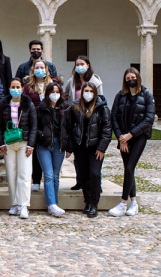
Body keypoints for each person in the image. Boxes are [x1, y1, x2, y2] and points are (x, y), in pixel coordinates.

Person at [108, 68, 155, 217]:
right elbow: (113, 116)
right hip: (123, 139)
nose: (130, 80)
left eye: (133, 77)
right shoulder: (120, 95)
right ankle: (133, 203)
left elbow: (149, 119)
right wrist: (121, 137)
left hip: (138, 137)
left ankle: (123, 203)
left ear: (138, 78)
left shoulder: (146, 95)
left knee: (129, 168)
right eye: (127, 78)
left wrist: (130, 135)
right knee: (129, 170)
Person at [64, 82, 112, 218]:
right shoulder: (76, 107)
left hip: (95, 148)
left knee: (95, 174)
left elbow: (107, 130)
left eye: (91, 90)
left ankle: (95, 203)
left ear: (95, 92)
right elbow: (70, 126)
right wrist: (71, 146)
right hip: (80, 148)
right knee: (84, 175)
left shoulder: (102, 108)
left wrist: (102, 148)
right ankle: (88, 202)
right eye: (86, 90)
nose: (88, 93)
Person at [0, 77, 37, 220]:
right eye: (12, 87)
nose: (15, 90)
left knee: (24, 173)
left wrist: (31, 144)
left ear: (22, 88)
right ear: (9, 89)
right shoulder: (3, 104)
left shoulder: (28, 104)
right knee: (11, 173)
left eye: (18, 87)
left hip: (24, 143)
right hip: (8, 143)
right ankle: (14, 203)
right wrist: (0, 143)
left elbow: (34, 126)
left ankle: (24, 205)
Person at [62, 56, 103, 190]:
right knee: (78, 154)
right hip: (77, 118)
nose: (79, 66)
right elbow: (66, 94)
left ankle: (97, 184)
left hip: (91, 119)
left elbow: (101, 100)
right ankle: (80, 181)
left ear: (88, 65)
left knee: (94, 156)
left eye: (82, 64)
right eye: (77, 64)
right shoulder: (71, 81)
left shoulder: (95, 81)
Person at [22, 59, 62, 192]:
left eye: (42, 67)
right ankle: (37, 180)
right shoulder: (28, 86)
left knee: (49, 150)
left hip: (50, 119)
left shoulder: (53, 83)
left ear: (46, 69)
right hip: (34, 119)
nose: (39, 69)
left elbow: (61, 100)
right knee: (36, 150)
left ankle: (49, 181)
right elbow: (24, 101)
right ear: (33, 70)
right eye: (37, 67)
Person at [36, 82, 69, 217]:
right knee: (48, 175)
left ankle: (53, 204)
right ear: (47, 93)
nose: (55, 94)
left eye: (57, 92)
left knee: (56, 176)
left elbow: (69, 128)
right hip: (44, 145)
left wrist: (68, 147)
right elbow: (35, 126)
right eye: (52, 92)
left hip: (59, 145)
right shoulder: (41, 108)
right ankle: (52, 204)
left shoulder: (65, 108)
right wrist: (41, 135)